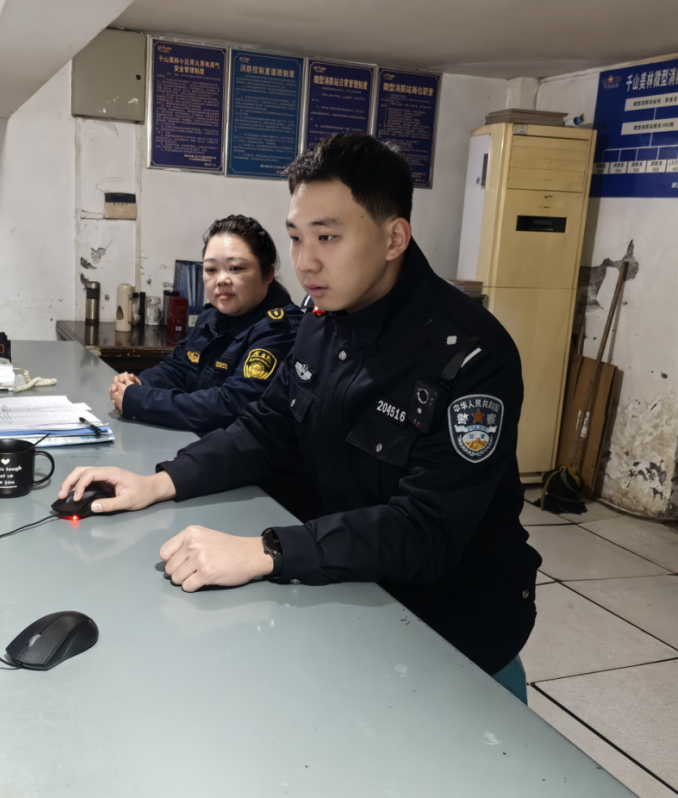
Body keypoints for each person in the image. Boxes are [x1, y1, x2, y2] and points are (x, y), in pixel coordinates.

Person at [59, 134, 542, 676]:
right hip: (345, 581)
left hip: (447, 616)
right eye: (295, 237)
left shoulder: (471, 353)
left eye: (327, 237)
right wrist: (160, 481)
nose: (305, 262)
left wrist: (266, 551)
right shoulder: (321, 319)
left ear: (394, 238)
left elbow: (424, 530)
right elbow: (267, 427)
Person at [109, 215, 302, 436]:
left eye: (235, 268)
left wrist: (139, 400)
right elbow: (178, 368)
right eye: (211, 270)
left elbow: (229, 406)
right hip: (198, 444)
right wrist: (138, 383)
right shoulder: (211, 316)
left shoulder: (280, 330)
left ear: (268, 274)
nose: (221, 280)